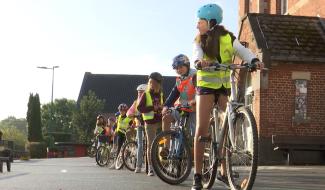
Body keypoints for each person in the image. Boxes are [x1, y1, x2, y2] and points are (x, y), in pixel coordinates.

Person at [191, 4, 264, 190]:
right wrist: (199, 62)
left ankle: (224, 171)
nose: (197, 25)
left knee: (226, 123)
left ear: (211, 22)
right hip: (206, 87)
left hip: (223, 87)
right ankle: (197, 175)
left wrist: (253, 60)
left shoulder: (228, 38)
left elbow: (243, 51)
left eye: (200, 21)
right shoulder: (199, 40)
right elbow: (196, 55)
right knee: (201, 128)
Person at [160, 54, 197, 157]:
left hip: (195, 109)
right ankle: (166, 148)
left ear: (187, 65)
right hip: (182, 108)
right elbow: (173, 95)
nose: (179, 70)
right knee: (166, 118)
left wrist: (195, 101)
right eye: (176, 68)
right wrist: (166, 106)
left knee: (195, 135)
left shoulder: (195, 75)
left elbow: (201, 92)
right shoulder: (179, 79)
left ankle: (197, 156)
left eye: (181, 67)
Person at [137, 72, 164, 176]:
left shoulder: (161, 93)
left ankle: (162, 164)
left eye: (153, 82)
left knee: (162, 143)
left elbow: (164, 104)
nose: (151, 84)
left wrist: (162, 107)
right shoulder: (146, 94)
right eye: (150, 82)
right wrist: (153, 108)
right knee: (151, 145)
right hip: (150, 122)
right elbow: (139, 108)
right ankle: (151, 168)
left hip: (160, 120)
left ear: (158, 83)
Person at [126, 83, 147, 173]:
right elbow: (128, 113)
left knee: (149, 145)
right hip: (139, 125)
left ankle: (149, 166)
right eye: (138, 92)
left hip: (148, 124)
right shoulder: (136, 102)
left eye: (142, 92)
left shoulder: (148, 100)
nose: (140, 94)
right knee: (140, 145)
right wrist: (133, 114)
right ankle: (138, 166)